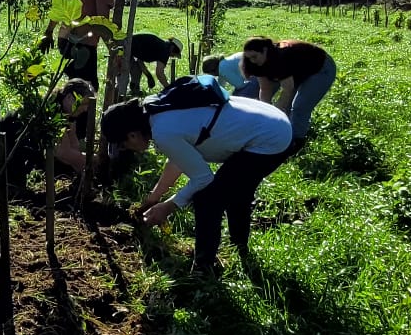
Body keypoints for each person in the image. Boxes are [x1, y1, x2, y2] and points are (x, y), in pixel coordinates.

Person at [100, 82, 292, 274]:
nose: (127, 150)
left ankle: (203, 269)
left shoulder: (162, 132)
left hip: (269, 139)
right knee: (236, 190)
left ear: (132, 135)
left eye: (123, 145)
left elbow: (203, 178)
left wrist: (169, 206)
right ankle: (238, 247)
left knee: (207, 198)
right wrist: (154, 198)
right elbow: (178, 159)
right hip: (271, 120)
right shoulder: (154, 110)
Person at [0, 78, 94, 188]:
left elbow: (73, 147)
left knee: (17, 186)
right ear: (69, 98)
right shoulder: (52, 112)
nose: (85, 109)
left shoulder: (68, 115)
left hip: (15, 151)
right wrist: (94, 161)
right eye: (84, 104)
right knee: (8, 190)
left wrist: (84, 170)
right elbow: (63, 153)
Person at [241, 36, 336, 150]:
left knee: (299, 107)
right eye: (249, 58)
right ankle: (283, 136)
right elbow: (265, 89)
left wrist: (275, 112)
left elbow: (287, 89)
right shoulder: (256, 63)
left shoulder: (281, 57)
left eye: (254, 57)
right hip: (298, 70)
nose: (252, 61)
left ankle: (295, 143)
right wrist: (266, 112)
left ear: (265, 50)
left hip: (320, 68)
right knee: (286, 108)